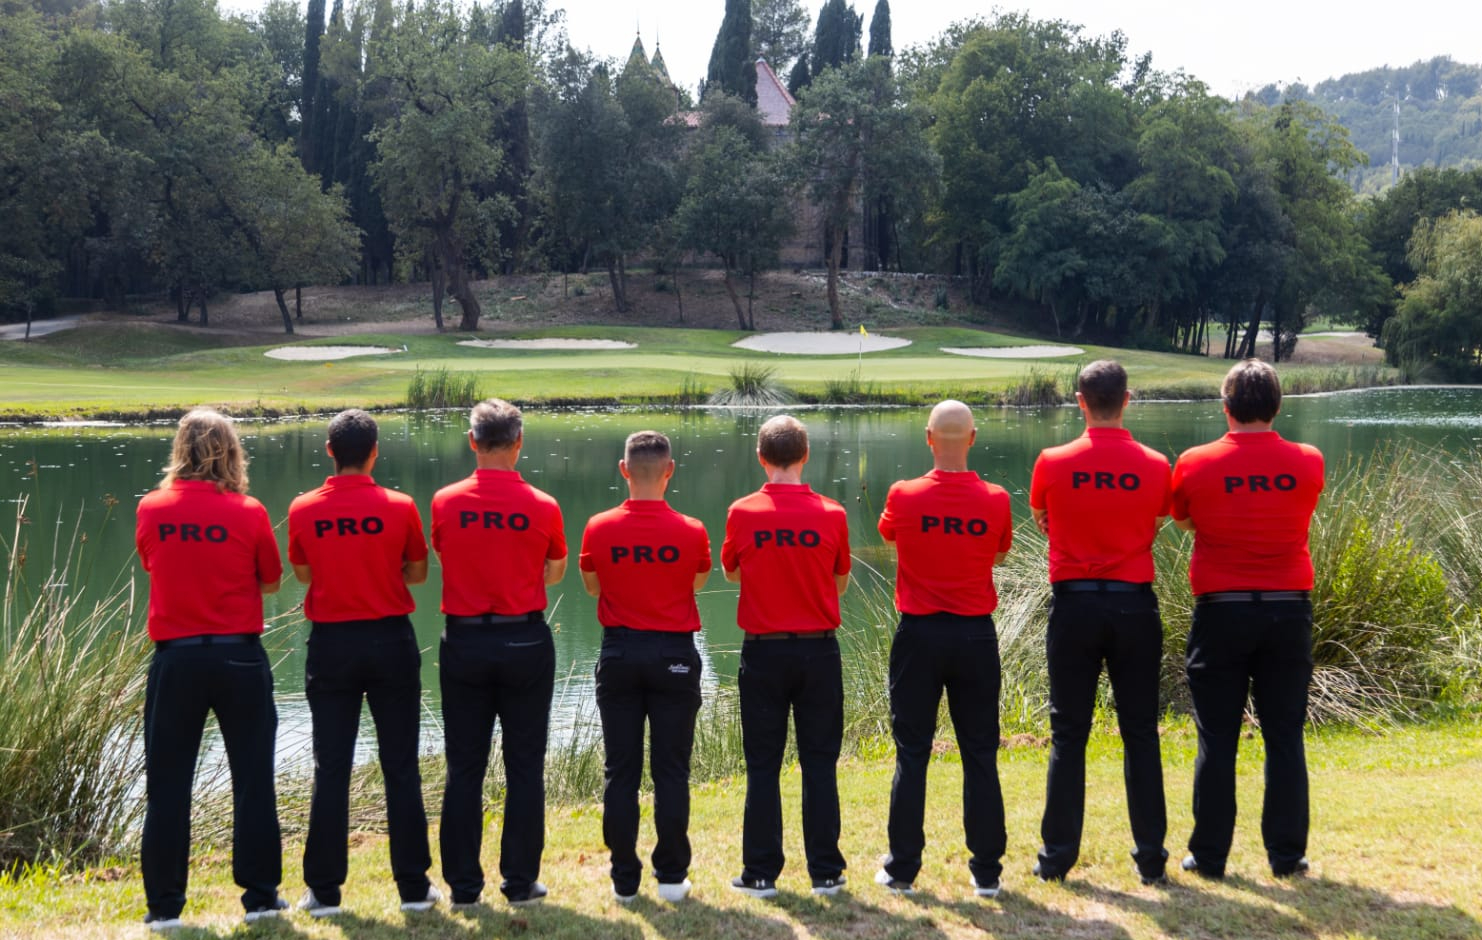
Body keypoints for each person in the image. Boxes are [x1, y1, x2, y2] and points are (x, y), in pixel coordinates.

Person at [134, 409, 286, 932]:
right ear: (231, 451)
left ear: (181, 450)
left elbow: (153, 565)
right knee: (253, 780)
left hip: (177, 659)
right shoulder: (249, 510)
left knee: (168, 784)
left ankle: (164, 906)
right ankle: (262, 897)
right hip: (240, 657)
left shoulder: (152, 509)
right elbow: (271, 580)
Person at [1172, 359, 1324, 880]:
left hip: (1222, 611)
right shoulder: (1308, 460)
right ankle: (1287, 856)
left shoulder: (1194, 461)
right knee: (1285, 734)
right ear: (1278, 407)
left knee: (1217, 736)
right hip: (1288, 610)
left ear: (1226, 407)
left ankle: (1210, 856)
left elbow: (1187, 518)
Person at [287, 409, 437, 916]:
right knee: (400, 765)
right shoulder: (400, 506)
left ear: (330, 451)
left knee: (331, 766)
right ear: (375, 452)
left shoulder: (304, 508)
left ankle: (324, 893)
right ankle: (414, 888)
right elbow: (417, 572)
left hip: (331, 646)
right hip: (390, 641)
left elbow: (304, 574)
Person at [1028, 361, 1171, 885]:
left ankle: (1056, 858)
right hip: (1135, 605)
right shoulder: (1156, 464)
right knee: (1140, 733)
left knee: (1068, 733)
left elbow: (1042, 517)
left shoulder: (1051, 461)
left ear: (1081, 402)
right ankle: (1151, 859)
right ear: (1127, 400)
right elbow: (1158, 515)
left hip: (1074, 606)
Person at [430, 399, 566, 907]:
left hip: (464, 640)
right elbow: (554, 571)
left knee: (465, 764)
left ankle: (464, 887)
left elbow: (444, 557)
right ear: (519, 443)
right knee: (524, 764)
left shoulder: (445, 500)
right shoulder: (543, 503)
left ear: (472, 441)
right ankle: (519, 880)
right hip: (525, 639)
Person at [874, 400, 1013, 899]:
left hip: (920, 636)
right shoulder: (996, 498)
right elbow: (998, 551)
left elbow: (889, 535)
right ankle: (987, 871)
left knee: (912, 752)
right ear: (972, 438)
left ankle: (903, 869)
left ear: (929, 438)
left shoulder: (903, 494)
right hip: (975, 636)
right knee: (980, 751)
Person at [721, 415, 851, 899]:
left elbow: (732, 573)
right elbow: (839, 581)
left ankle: (760, 873)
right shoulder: (832, 513)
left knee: (763, 765)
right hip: (819, 651)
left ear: (761, 457)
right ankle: (826, 872)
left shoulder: (742, 511)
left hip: (764, 653)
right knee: (819, 762)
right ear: (805, 455)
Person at [579, 430, 711, 904]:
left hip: (619, 654)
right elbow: (693, 583)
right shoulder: (693, 530)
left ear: (624, 470)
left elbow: (593, 588)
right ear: (670, 471)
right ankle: (672, 877)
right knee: (671, 770)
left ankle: (624, 879)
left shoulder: (598, 526)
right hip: (674, 654)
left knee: (621, 770)